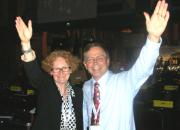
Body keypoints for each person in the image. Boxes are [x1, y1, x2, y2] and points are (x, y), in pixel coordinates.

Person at [82, 0, 170, 130]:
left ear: (108, 61)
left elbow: (142, 69)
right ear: (85, 64)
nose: (94, 62)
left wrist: (153, 37)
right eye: (90, 59)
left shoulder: (123, 82)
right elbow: (86, 116)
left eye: (100, 58)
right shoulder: (86, 86)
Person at [15, 16, 83, 130]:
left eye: (65, 68)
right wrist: (26, 43)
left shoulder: (78, 93)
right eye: (56, 68)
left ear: (71, 70)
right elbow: (33, 73)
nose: (61, 72)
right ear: (51, 71)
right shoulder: (46, 86)